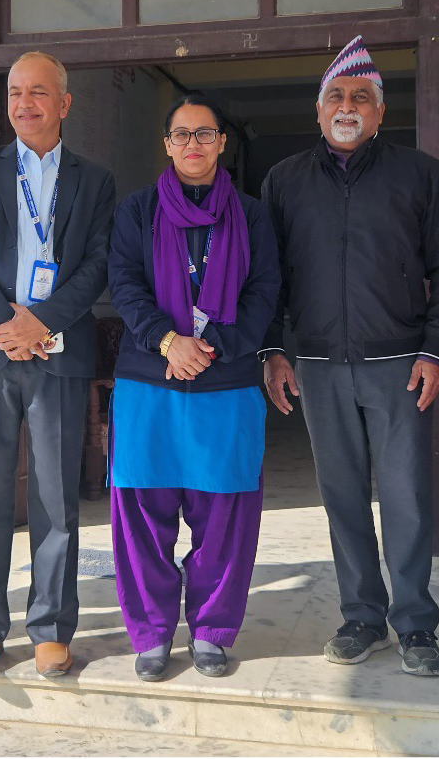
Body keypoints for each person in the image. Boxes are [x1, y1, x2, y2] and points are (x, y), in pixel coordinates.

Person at [261, 36, 439, 676]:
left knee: (405, 496)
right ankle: (361, 616)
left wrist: (437, 349)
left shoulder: (420, 173)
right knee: (342, 494)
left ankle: (415, 625)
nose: (347, 106)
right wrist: (274, 349)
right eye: (335, 96)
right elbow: (267, 274)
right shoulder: (285, 180)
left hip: (400, 361)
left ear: (380, 112)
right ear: (318, 111)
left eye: (360, 97)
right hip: (318, 365)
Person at [0, 51, 115, 677]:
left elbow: (98, 262)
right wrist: (2, 321)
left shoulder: (94, 181)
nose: (24, 104)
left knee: (53, 498)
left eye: (38, 92)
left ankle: (50, 626)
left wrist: (40, 322)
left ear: (64, 103)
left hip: (58, 354)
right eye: (15, 92)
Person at [105, 94, 280, 681]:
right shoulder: (136, 210)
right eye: (181, 135)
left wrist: (213, 348)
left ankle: (212, 628)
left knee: (224, 513)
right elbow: (124, 283)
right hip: (148, 381)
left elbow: (265, 290)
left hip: (226, 383)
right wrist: (167, 341)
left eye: (204, 134)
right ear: (166, 144)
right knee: (141, 515)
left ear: (222, 142)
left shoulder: (253, 215)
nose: (193, 145)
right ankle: (150, 632)